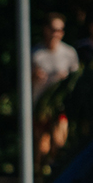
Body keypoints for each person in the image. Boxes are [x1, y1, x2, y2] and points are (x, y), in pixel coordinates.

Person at [31, 12, 80, 163]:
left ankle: (54, 174)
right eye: (53, 29)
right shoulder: (35, 53)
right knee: (42, 147)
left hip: (60, 104)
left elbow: (77, 79)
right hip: (40, 104)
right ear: (45, 29)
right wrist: (34, 76)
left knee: (59, 142)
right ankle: (40, 177)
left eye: (60, 30)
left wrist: (66, 79)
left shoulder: (69, 53)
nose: (57, 33)